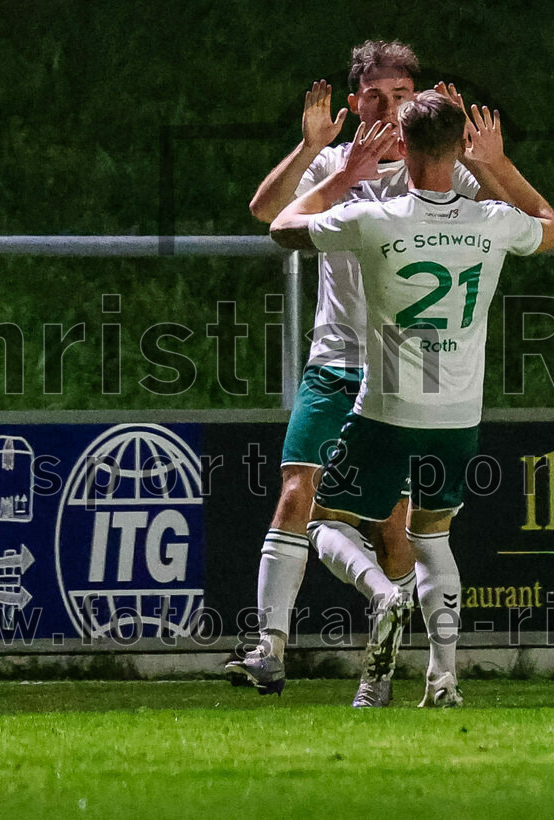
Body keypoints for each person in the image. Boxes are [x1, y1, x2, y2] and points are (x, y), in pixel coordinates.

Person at [228, 40, 535, 707]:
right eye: (378, 96)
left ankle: (380, 666)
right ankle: (270, 648)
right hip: (337, 360)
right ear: (355, 102)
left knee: (393, 530)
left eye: (404, 96)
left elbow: (500, 204)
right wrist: (317, 153)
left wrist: (482, 157)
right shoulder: (339, 165)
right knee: (296, 493)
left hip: (402, 375)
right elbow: (264, 210)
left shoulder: (435, 171)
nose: (392, 107)